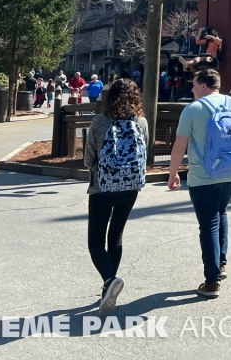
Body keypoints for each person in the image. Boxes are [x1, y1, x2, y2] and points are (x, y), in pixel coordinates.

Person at [167, 69, 231, 298]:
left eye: (194, 84)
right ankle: (221, 263)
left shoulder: (194, 109)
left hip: (203, 177)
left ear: (203, 86)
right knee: (221, 213)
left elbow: (179, 146)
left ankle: (212, 280)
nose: (192, 88)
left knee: (208, 225)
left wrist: (173, 173)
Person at [83, 79, 149, 314]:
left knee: (95, 241)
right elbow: (145, 152)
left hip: (103, 187)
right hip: (131, 187)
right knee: (116, 234)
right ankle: (107, 287)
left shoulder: (100, 121)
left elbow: (89, 158)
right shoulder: (140, 122)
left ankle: (110, 280)